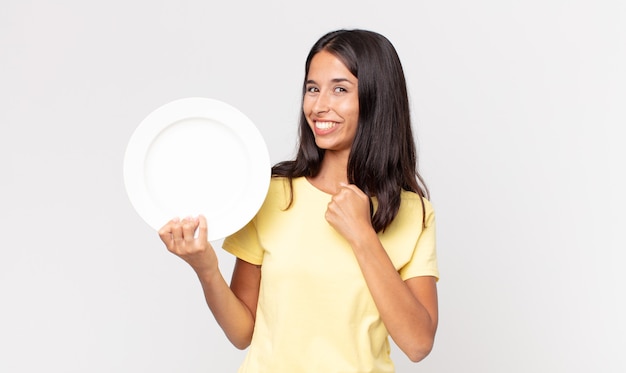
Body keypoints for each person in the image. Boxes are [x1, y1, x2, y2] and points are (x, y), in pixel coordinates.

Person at [158, 29, 439, 373]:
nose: (319, 105)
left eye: (340, 89)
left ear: (376, 98)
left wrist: (362, 235)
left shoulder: (413, 213)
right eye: (312, 88)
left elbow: (418, 343)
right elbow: (242, 332)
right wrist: (206, 268)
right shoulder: (272, 193)